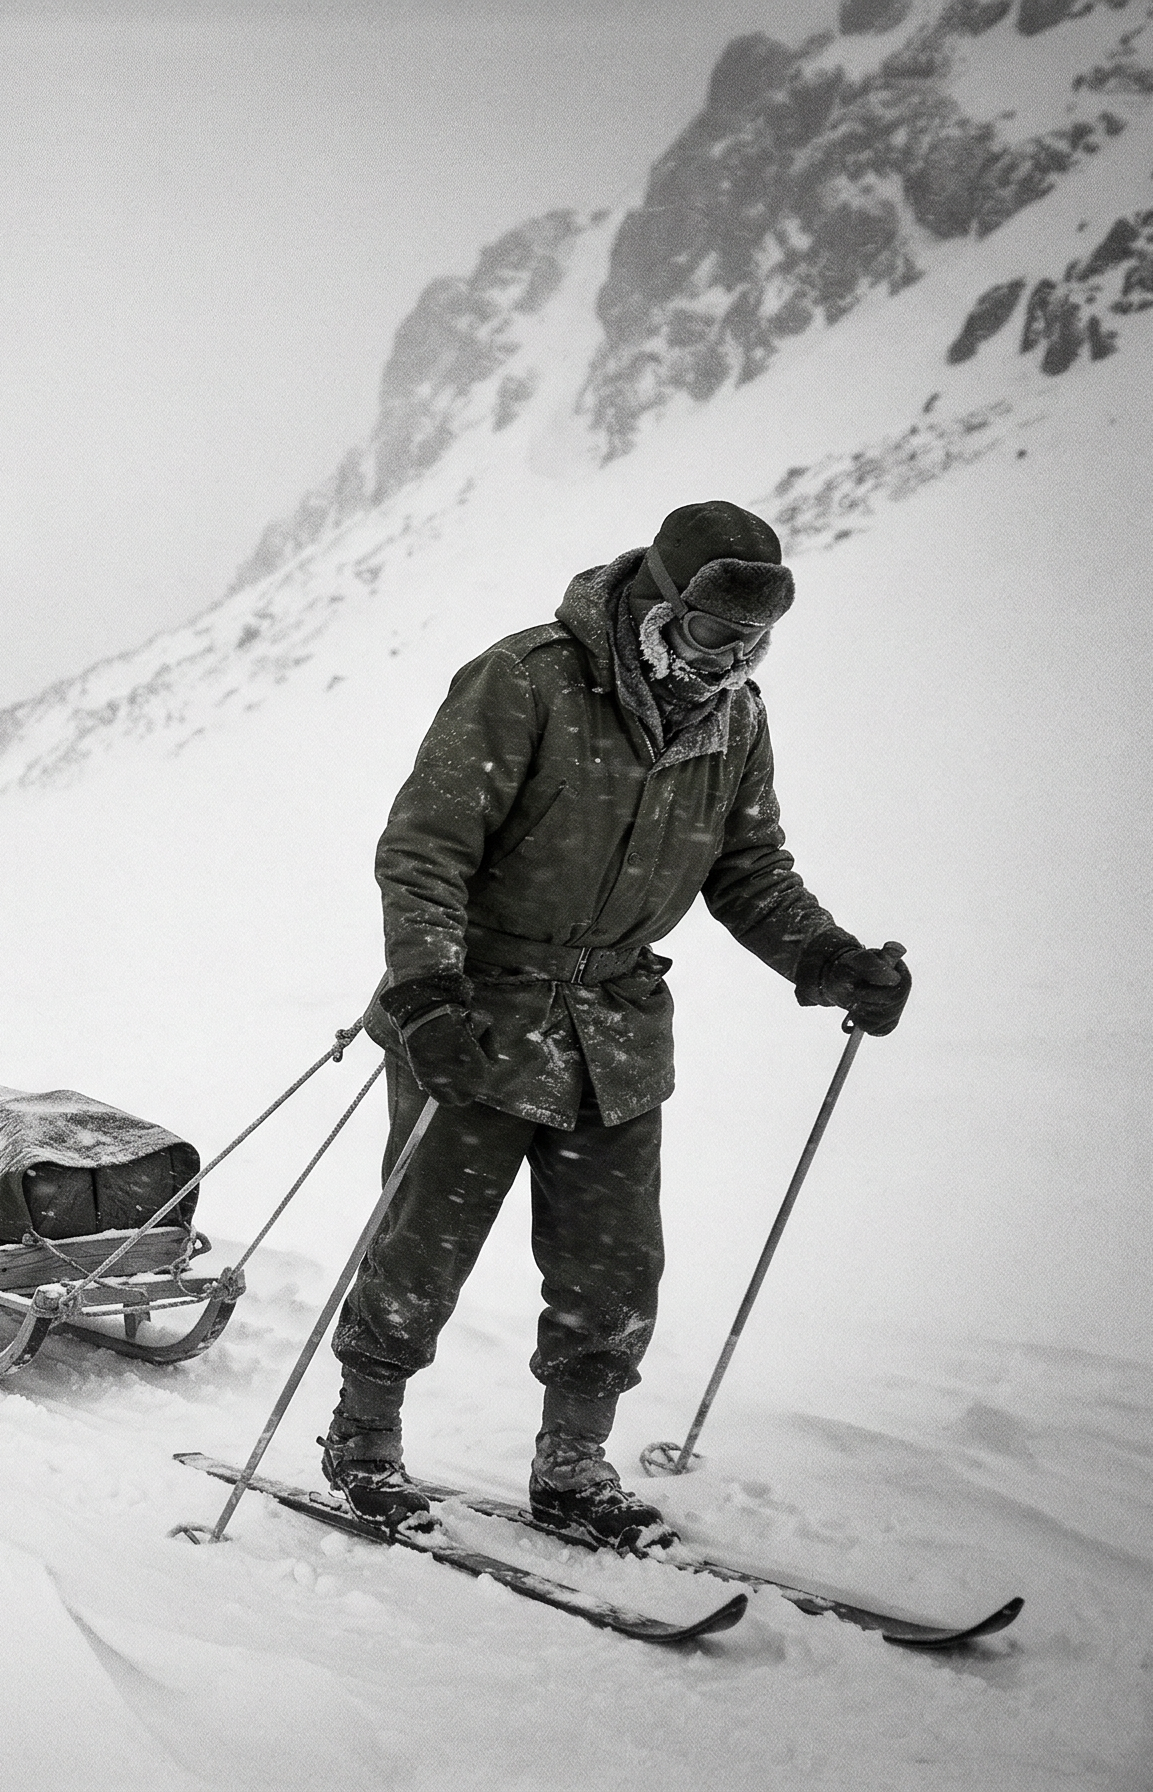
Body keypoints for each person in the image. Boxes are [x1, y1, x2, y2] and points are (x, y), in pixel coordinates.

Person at [328, 500, 910, 1549]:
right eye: (707, 633)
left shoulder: (735, 717)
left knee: (614, 1265)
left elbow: (750, 868)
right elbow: (427, 846)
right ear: (655, 606)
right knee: (424, 1243)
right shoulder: (527, 679)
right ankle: (363, 1439)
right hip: (480, 1016)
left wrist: (832, 960)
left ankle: (574, 1467)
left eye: (751, 639)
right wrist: (425, 990)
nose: (727, 658)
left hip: (618, 1028)